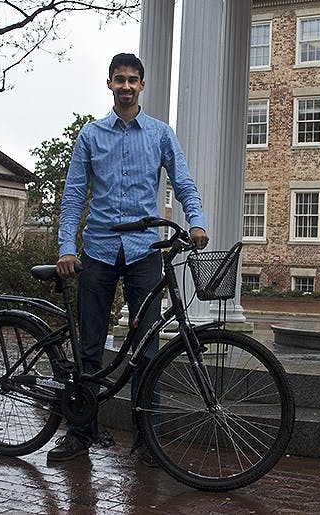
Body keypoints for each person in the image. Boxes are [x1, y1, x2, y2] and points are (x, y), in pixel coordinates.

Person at [50, 52, 209, 462]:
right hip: (98, 250)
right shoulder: (90, 135)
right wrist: (67, 247)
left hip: (145, 252)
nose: (125, 86)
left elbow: (184, 182)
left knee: (147, 349)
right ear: (109, 84)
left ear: (142, 85)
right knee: (88, 346)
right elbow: (72, 196)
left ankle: (147, 440)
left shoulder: (159, 134)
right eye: (118, 79)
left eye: (132, 79)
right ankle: (79, 434)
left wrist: (196, 223)